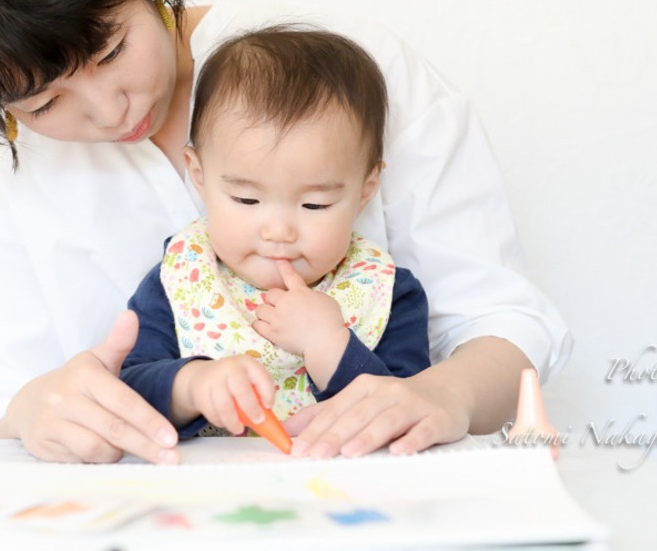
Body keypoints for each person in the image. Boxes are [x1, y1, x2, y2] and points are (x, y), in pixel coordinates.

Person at [0, 0, 572, 465]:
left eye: (112, 50)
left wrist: (440, 396)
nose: (110, 109)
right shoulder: (7, 179)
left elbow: (503, 319)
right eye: (44, 104)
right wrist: (31, 411)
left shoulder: (351, 71)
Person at [119, 26, 431, 437]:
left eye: (314, 205)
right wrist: (193, 385)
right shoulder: (180, 278)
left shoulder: (387, 291)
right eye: (247, 200)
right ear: (199, 175)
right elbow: (130, 389)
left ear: (365, 190)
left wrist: (327, 343)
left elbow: (406, 409)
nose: (279, 231)